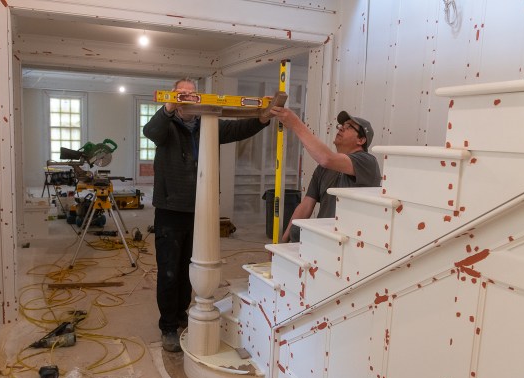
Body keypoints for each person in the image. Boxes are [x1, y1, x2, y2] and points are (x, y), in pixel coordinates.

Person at [143, 78, 273, 352]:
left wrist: (262, 119)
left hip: (201, 210)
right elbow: (151, 131)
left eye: (192, 93)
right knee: (169, 271)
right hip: (170, 210)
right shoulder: (166, 126)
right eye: (182, 93)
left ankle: (181, 314)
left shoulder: (208, 124)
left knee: (191, 267)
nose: (188, 97)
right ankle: (168, 326)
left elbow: (238, 128)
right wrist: (169, 106)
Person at [269, 107, 381, 242]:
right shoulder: (324, 168)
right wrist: (283, 241)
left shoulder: (367, 162)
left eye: (349, 127)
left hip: (351, 240)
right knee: (296, 231)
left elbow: (327, 158)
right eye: (341, 125)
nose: (341, 128)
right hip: (324, 237)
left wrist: (295, 124)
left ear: (361, 140)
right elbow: (306, 205)